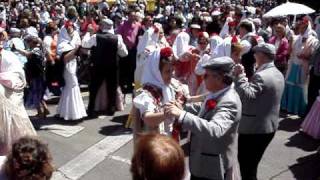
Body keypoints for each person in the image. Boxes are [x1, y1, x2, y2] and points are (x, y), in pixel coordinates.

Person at [165, 56, 242, 180]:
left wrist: (182, 115)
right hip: (203, 160)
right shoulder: (218, 93)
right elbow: (204, 108)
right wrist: (182, 107)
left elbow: (215, 130)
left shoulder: (229, 101)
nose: (203, 78)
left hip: (211, 169)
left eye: (206, 76)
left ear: (219, 78)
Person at [233, 43, 285, 180]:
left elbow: (246, 97)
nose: (254, 55)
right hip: (268, 127)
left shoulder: (262, 75)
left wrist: (240, 76)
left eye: (256, 53)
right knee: (251, 166)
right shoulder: (277, 73)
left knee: (247, 167)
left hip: (254, 129)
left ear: (262, 55)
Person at [132, 47, 188, 140]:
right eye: (167, 71)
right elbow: (147, 118)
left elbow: (188, 98)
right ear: (156, 72)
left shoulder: (170, 85)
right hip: (156, 141)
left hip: (170, 135)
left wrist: (206, 96)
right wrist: (168, 113)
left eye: (172, 70)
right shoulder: (148, 93)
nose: (171, 74)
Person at [0, 28, 37, 155]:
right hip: (10, 93)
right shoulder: (9, 54)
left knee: (11, 122)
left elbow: (19, 75)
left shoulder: (9, 54)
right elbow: (20, 74)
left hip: (12, 93)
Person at [82, 18, 128, 116]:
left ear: (102, 26)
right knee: (112, 87)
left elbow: (85, 44)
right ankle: (111, 108)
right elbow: (124, 53)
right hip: (112, 66)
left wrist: (87, 33)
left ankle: (91, 108)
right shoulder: (117, 38)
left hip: (98, 66)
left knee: (94, 87)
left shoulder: (96, 37)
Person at [281, 16, 319, 117]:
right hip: (293, 64)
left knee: (300, 88)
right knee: (290, 85)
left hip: (303, 66)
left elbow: (313, 55)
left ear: (307, 27)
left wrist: (306, 56)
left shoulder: (313, 40)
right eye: (300, 27)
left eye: (303, 27)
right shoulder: (295, 38)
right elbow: (289, 52)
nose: (301, 29)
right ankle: (288, 107)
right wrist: (290, 45)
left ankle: (299, 109)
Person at [56, 20, 87, 120]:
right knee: (72, 86)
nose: (70, 30)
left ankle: (66, 111)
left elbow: (82, 50)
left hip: (74, 65)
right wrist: (76, 50)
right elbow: (65, 58)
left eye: (71, 28)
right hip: (67, 68)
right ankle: (71, 113)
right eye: (68, 29)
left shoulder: (75, 37)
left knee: (73, 87)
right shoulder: (62, 42)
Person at [117, 10, 141, 93]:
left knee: (133, 67)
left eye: (134, 16)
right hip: (125, 49)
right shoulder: (123, 25)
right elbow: (119, 36)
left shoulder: (138, 25)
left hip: (134, 49)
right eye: (131, 15)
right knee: (124, 67)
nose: (132, 17)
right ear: (128, 16)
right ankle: (123, 85)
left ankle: (131, 85)